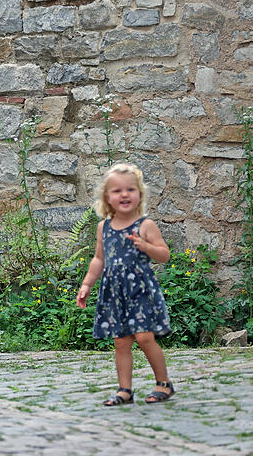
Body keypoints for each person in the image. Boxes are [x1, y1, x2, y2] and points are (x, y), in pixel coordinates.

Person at [76, 163, 175, 405]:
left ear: (139, 194)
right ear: (107, 198)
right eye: (117, 191)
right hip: (114, 292)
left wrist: (146, 247)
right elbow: (99, 258)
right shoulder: (104, 227)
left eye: (130, 189)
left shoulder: (145, 226)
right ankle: (125, 390)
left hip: (139, 290)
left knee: (144, 337)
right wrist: (87, 284)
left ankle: (164, 383)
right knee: (120, 341)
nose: (124, 195)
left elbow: (164, 255)